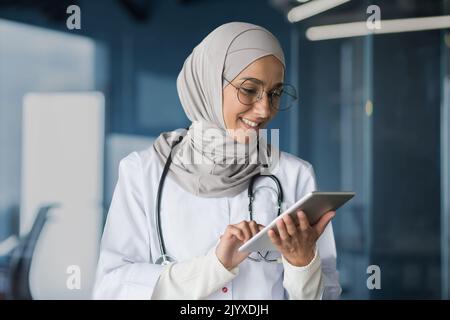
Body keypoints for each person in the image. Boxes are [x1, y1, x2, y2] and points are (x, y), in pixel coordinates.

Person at [93, 22, 341, 300]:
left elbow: (327, 293)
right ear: (209, 83)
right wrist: (213, 268)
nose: (264, 110)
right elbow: (111, 288)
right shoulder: (143, 172)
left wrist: (302, 265)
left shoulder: (294, 175)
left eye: (275, 94)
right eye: (249, 90)